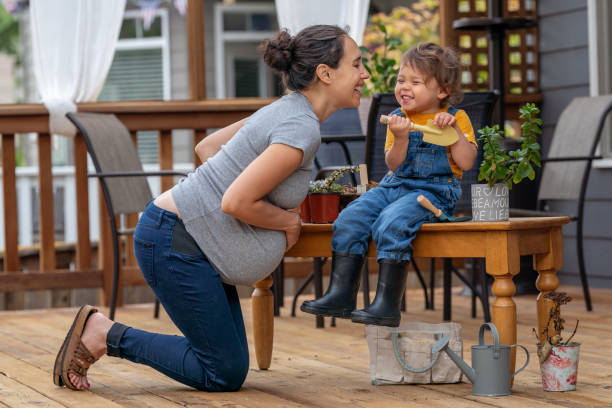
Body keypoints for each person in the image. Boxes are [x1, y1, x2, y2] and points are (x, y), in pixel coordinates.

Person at [53, 24, 370, 392]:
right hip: (174, 241)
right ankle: (104, 334)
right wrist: (287, 222)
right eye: (357, 64)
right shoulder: (300, 127)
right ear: (325, 73)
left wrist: (220, 222)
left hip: (183, 238)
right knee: (222, 371)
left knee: (230, 363)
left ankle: (107, 334)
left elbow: (207, 148)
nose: (364, 74)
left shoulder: (286, 111)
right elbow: (235, 201)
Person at [301, 42, 476, 327]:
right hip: (394, 186)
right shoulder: (397, 118)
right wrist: (402, 137)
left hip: (432, 193)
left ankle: (386, 305)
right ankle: (341, 295)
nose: (404, 87)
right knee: (349, 217)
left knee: (391, 222)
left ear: (442, 91)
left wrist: (454, 132)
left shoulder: (456, 119)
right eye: (400, 80)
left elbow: (467, 163)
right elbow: (393, 165)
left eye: (415, 82)